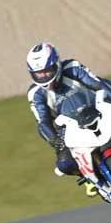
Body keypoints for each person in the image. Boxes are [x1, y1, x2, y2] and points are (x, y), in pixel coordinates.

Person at [26, 42, 111, 194]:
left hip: (96, 109)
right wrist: (55, 141)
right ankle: (87, 177)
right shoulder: (35, 93)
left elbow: (97, 84)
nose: (43, 76)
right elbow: (43, 121)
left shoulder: (72, 67)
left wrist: (105, 94)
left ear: (56, 64)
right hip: (68, 127)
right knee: (65, 163)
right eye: (38, 73)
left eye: (47, 70)